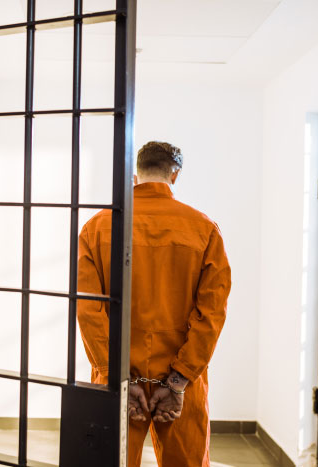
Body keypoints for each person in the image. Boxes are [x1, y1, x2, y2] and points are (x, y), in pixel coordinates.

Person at [77, 141, 232, 467]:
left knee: (111, 461)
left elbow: (88, 308)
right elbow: (212, 314)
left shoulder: (98, 226)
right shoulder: (203, 229)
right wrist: (179, 380)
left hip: (119, 374)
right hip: (180, 375)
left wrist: (111, 372)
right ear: (174, 175)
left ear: (136, 175)